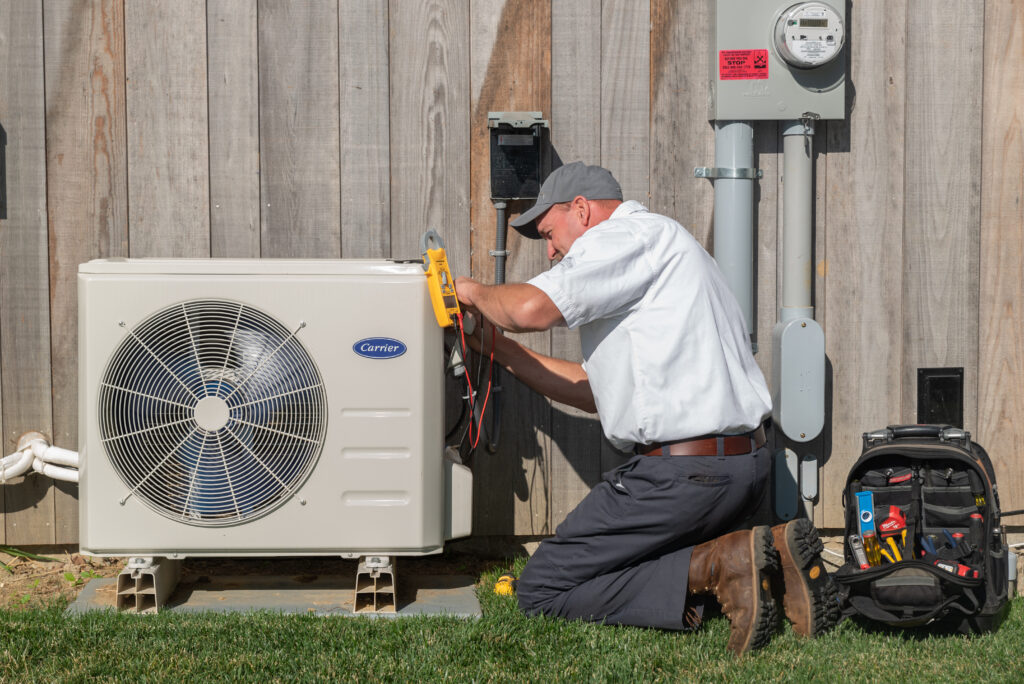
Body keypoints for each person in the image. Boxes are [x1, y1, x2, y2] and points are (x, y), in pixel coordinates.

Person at [454, 162, 837, 654]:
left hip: (685, 476)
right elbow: (591, 391)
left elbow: (529, 310)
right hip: (742, 468)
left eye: (550, 235)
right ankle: (770, 560)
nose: (550, 253)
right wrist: (494, 347)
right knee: (620, 564)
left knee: (542, 586)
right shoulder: (669, 248)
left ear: (582, 210)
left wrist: (469, 292)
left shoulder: (623, 239)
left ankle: (719, 564)